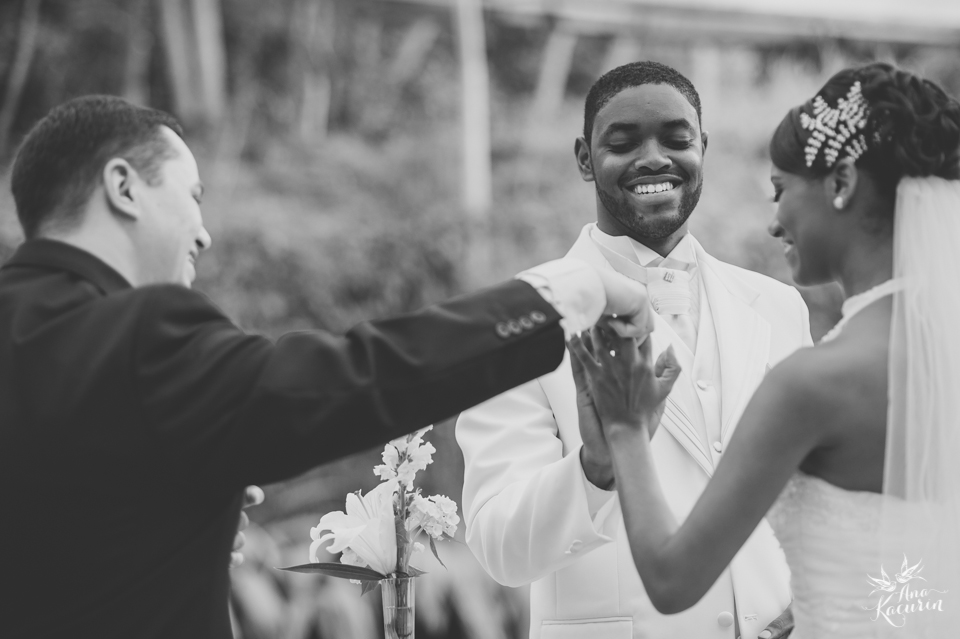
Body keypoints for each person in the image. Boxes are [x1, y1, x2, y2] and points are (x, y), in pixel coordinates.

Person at [0, 95, 652, 639]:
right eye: (191, 195)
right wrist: (565, 292)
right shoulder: (143, 337)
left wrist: (170, 516)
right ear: (123, 186)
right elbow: (353, 378)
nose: (202, 232)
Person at [570, 63, 960, 638]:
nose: (775, 225)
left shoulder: (814, 381)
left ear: (842, 184)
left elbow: (672, 578)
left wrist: (624, 430)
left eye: (779, 191)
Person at [457, 61, 809, 639]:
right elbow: (499, 546)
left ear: (703, 149)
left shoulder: (777, 307)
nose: (653, 159)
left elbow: (810, 490)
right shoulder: (520, 321)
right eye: (622, 143)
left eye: (677, 139)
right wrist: (595, 469)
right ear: (584, 158)